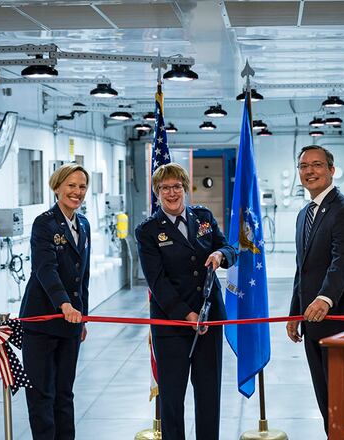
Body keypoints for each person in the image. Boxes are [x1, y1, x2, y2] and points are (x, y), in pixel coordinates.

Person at [135, 163, 238, 440]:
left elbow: (229, 247)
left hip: (210, 317)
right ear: (157, 192)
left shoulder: (202, 217)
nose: (172, 192)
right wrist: (186, 315)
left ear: (185, 188)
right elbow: (156, 281)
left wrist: (220, 255)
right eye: (165, 188)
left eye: (177, 186)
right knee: (172, 397)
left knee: (208, 394)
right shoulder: (147, 231)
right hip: (171, 324)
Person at [287, 145, 344, 434]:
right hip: (312, 321)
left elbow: (343, 260)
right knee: (325, 397)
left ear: (331, 170)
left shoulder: (343, 210)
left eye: (317, 165)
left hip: (338, 318)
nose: (310, 171)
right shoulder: (304, 214)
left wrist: (324, 298)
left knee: (343, 398)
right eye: (304, 166)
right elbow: (302, 269)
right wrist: (295, 312)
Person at [19, 163, 91, 440]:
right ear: (58, 186)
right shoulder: (44, 223)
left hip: (71, 323)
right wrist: (64, 305)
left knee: (65, 393)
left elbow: (81, 276)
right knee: (41, 394)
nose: (77, 192)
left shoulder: (82, 223)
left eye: (82, 186)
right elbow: (44, 268)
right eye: (71, 185)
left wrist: (81, 315)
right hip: (42, 321)